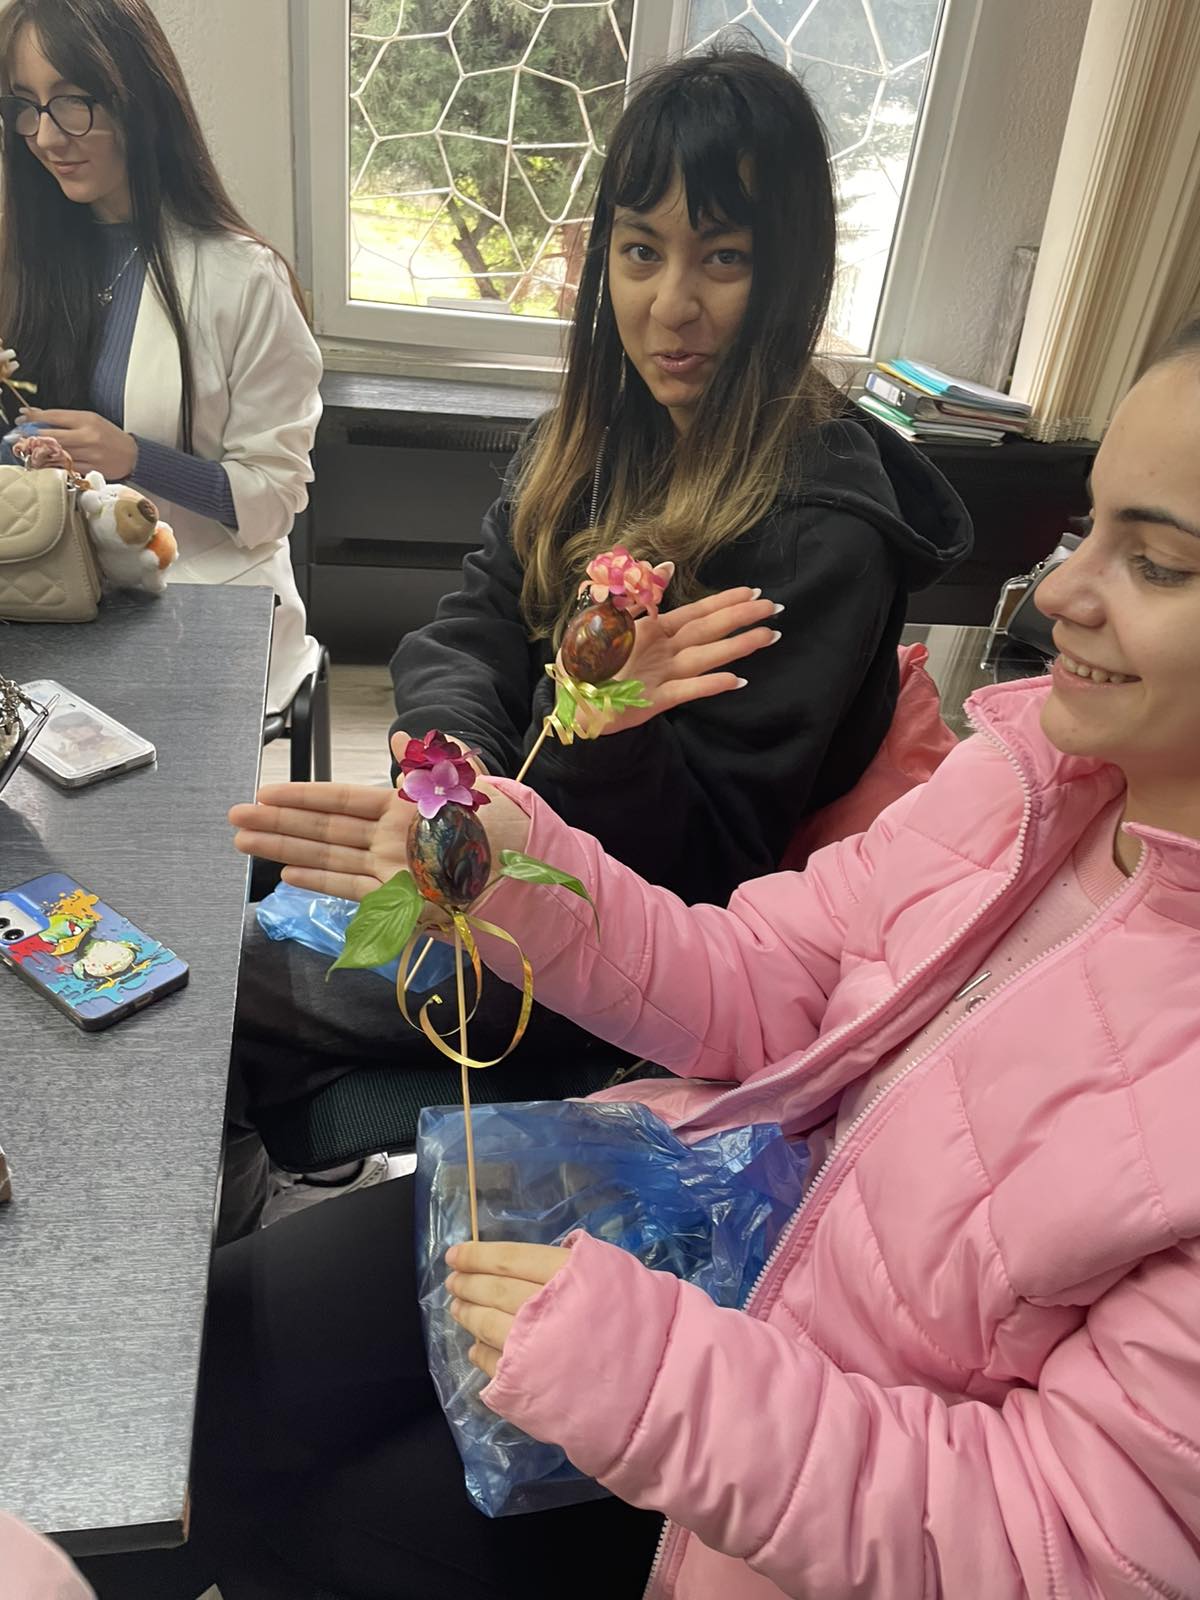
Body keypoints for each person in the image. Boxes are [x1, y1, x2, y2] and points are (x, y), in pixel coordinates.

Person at [126, 317, 1200, 1600]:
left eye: (1158, 562)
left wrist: (654, 1378)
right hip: (677, 1207)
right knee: (186, 1378)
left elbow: (1066, 1542)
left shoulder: (821, 545)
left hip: (760, 1462)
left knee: (309, 1523)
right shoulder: (1021, 787)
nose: (1059, 595)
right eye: (1088, 529)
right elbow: (766, 978)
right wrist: (519, 866)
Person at [227, 47, 969, 1220]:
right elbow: (473, 621)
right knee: (202, 920)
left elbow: (698, 875)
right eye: (640, 252)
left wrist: (602, 729)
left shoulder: (817, 537)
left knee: (196, 986)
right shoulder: (597, 434)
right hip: (487, 859)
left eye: (723, 258)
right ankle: (242, 1181)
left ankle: (222, 1228)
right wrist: (452, 769)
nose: (670, 307)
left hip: (599, 961)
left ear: (791, 272)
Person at [0, 0, 322, 714]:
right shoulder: (25, 263)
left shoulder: (243, 278)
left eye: (73, 102)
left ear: (138, 98)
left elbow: (273, 499)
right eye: (26, 105)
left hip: (200, 597)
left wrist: (134, 457)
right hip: (42, 585)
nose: (46, 136)